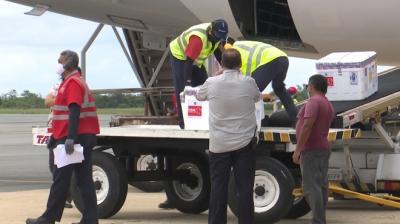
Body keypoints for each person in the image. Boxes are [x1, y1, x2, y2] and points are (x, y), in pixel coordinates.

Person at [26, 50, 99, 224]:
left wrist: (70, 138)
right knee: (83, 180)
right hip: (77, 135)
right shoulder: (72, 81)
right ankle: (90, 219)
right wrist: (55, 135)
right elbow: (63, 113)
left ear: (68, 63)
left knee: (60, 179)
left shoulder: (72, 83)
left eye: (60, 61)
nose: (57, 64)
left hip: (75, 137)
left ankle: (48, 218)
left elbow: (74, 111)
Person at [196, 48, 261, 224]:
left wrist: (218, 74)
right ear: (240, 65)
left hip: (219, 144)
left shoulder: (211, 82)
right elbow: (257, 98)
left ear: (221, 64)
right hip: (245, 144)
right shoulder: (249, 82)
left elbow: (199, 95)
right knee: (245, 189)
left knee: (218, 188)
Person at [169, 19, 228, 129]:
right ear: (211, 31)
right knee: (182, 90)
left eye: (221, 37)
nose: (219, 39)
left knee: (204, 87)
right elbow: (189, 62)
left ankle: (203, 119)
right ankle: (183, 123)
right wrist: (186, 82)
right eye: (217, 36)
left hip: (196, 59)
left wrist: (226, 68)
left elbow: (217, 53)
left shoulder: (217, 36)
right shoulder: (198, 39)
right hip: (181, 56)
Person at [292, 74, 335, 224]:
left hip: (312, 149)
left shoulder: (313, 102)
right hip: (322, 147)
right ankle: (320, 219)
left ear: (312, 86)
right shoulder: (326, 103)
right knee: (321, 185)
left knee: (311, 187)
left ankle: (318, 221)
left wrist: (298, 149)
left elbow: (307, 125)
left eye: (307, 86)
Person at [225, 39, 298, 124]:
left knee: (249, 93)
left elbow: (246, 84)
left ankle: (249, 122)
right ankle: (297, 120)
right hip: (283, 58)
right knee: (279, 88)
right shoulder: (244, 47)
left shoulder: (234, 52)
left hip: (270, 59)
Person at [45, 83, 73, 209]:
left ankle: (66, 198)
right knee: (53, 166)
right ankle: (65, 197)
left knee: (63, 167)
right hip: (55, 132)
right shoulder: (57, 86)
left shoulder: (72, 86)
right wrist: (61, 98)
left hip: (66, 132)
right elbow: (47, 101)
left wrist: (58, 98)